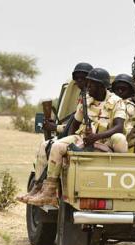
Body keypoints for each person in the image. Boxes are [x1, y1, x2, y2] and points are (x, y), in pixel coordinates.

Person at [25, 68, 128, 207]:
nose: (88, 86)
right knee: (56, 146)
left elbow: (119, 126)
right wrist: (70, 145)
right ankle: (48, 192)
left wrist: (96, 136)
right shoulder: (85, 100)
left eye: (91, 84)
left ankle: (120, 174)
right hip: (83, 138)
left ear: (101, 86)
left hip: (105, 140)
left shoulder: (117, 102)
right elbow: (74, 124)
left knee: (120, 137)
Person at [17, 62, 93, 203]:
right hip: (79, 135)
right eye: (77, 79)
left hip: (87, 138)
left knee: (49, 145)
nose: (79, 82)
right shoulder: (83, 97)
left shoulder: (92, 98)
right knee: (46, 145)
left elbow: (78, 127)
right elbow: (74, 123)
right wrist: (57, 128)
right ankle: (39, 187)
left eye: (83, 78)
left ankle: (44, 189)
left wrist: (56, 129)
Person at [111, 74, 135, 148]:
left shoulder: (130, 107)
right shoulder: (111, 102)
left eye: (123, 89)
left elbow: (125, 129)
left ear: (130, 91)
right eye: (117, 89)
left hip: (123, 141)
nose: (120, 91)